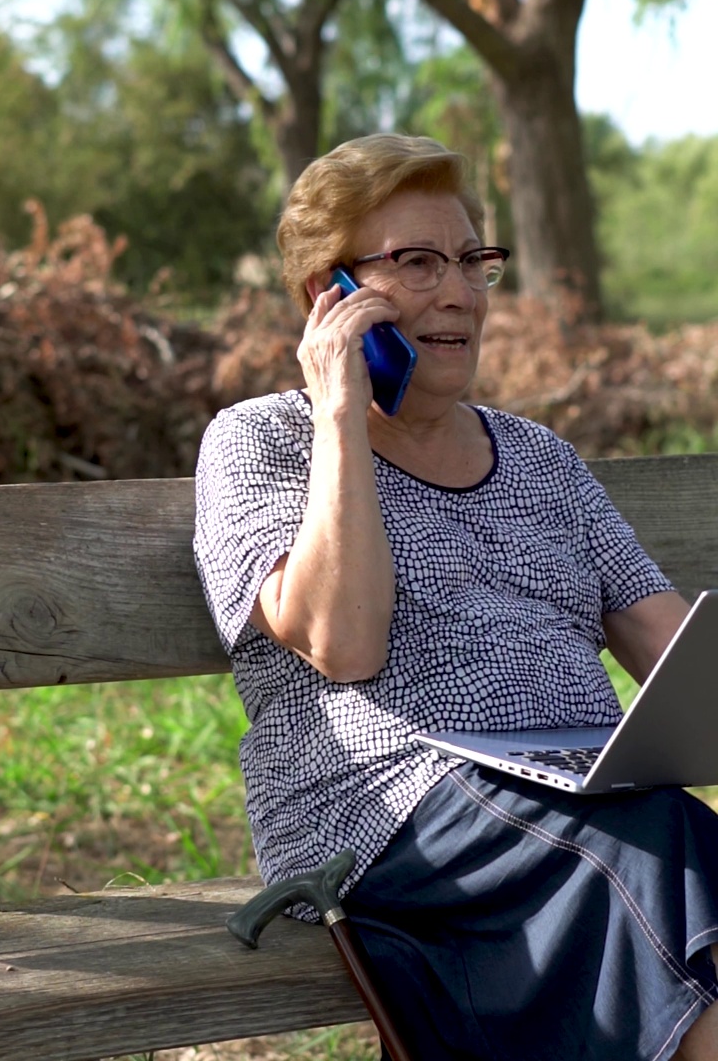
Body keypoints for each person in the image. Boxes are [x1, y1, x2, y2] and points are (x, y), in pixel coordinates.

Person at [194, 133, 718, 1061]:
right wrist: (342, 416)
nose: (460, 293)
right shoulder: (262, 442)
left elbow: (672, 650)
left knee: (651, 847)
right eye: (418, 263)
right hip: (382, 817)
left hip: (582, 799)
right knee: (651, 851)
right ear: (332, 295)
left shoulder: (542, 460)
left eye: (473, 261)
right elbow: (342, 640)